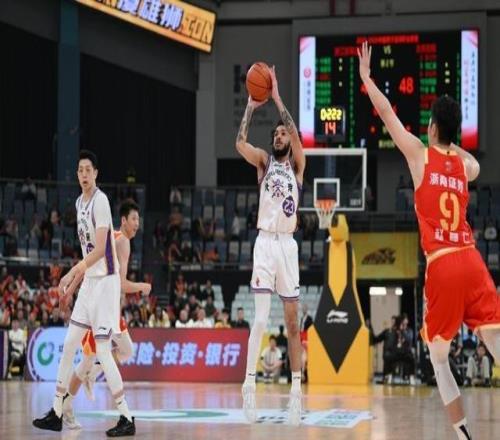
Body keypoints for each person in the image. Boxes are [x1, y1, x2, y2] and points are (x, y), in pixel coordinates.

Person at [359, 41, 500, 440]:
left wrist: (367, 78)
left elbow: (387, 115)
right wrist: (452, 141)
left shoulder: (420, 154)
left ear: (433, 127)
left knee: (438, 357)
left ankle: (463, 435)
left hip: (442, 262)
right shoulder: (463, 164)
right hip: (472, 258)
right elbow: (475, 165)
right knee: (494, 338)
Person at [32, 150, 135, 436]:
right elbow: (87, 254)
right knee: (69, 344)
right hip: (90, 282)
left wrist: (71, 272)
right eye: (80, 170)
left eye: (88, 169)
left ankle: (126, 417)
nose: (84, 174)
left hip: (107, 282)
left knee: (102, 350)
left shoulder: (101, 201)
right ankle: (56, 410)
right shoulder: (79, 203)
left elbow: (101, 250)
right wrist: (75, 281)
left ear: (96, 173)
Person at [236, 65, 305, 425]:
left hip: (288, 246)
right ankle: (249, 386)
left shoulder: (298, 167)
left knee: (292, 324)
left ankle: (296, 394)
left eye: (283, 133)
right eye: (276, 133)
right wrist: (250, 107)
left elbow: (295, 131)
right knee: (261, 319)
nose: (279, 136)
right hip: (264, 243)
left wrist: (276, 96)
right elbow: (239, 144)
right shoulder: (264, 162)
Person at [65, 200, 152, 417]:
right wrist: (142, 286)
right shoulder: (123, 242)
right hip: (101, 310)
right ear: (123, 220)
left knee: (122, 351)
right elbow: (121, 284)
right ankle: (66, 403)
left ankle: (91, 376)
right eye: (134, 219)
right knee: (88, 361)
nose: (137, 223)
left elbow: (87, 266)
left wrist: (71, 288)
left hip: (109, 310)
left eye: (139, 219)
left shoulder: (110, 236)